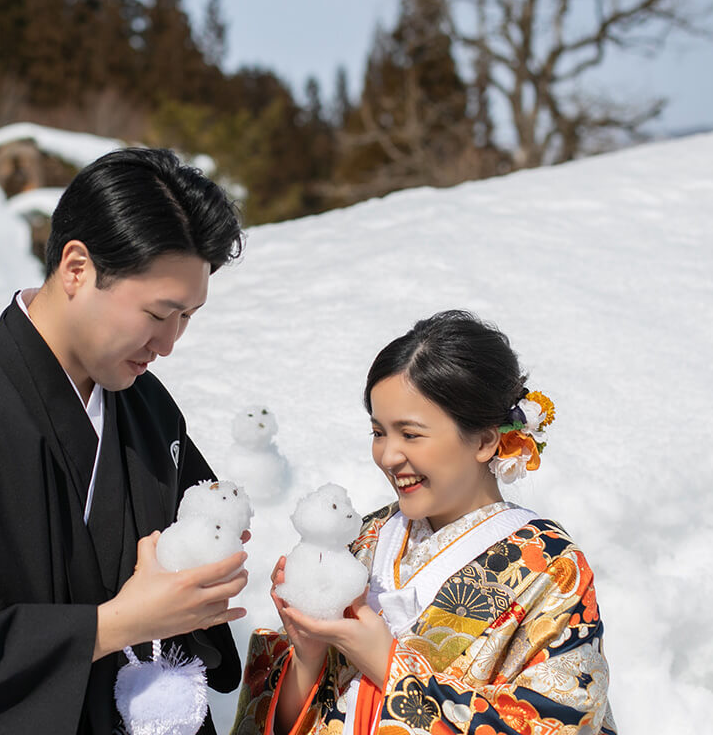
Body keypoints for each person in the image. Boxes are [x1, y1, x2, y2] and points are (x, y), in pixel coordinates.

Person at [0, 148, 250, 734]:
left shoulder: (150, 410)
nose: (168, 344)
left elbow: (184, 581)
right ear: (77, 268)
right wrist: (113, 625)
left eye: (187, 316)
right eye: (159, 313)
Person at [232, 311, 616, 735]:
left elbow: (558, 721)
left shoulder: (550, 568)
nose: (389, 456)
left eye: (410, 434)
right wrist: (308, 655)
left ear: (486, 439)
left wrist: (387, 666)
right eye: (379, 433)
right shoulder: (362, 538)